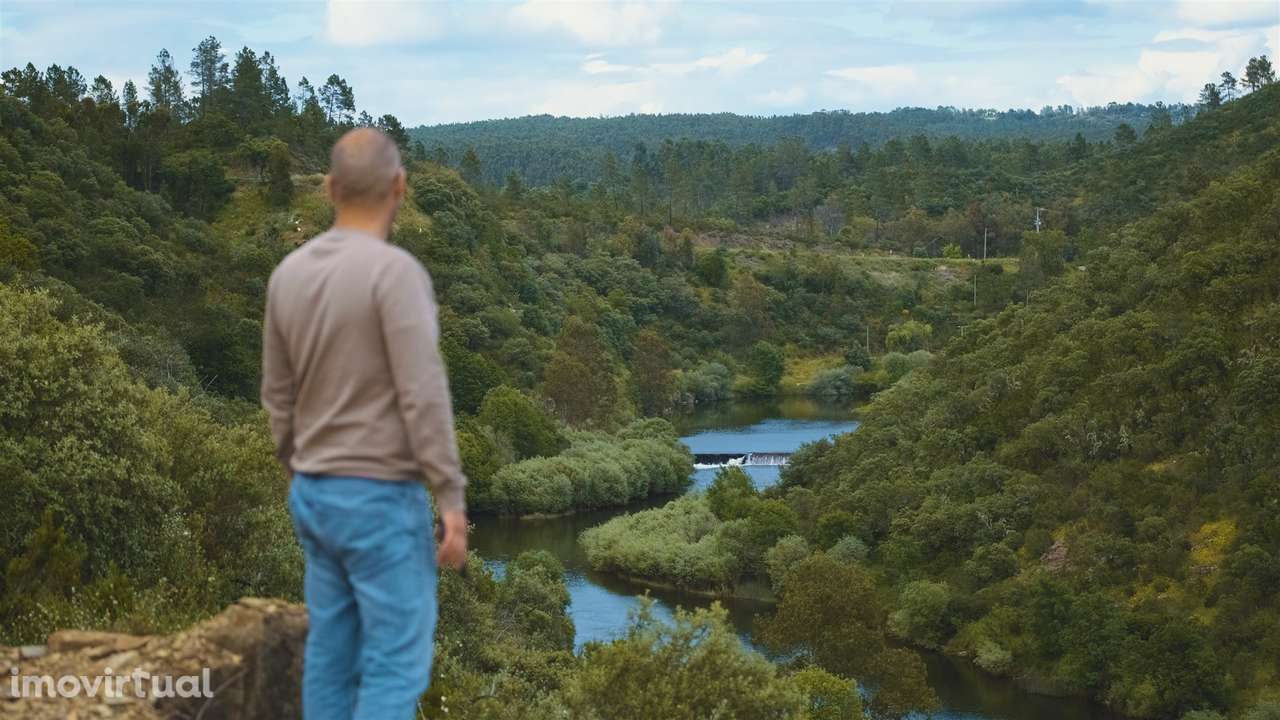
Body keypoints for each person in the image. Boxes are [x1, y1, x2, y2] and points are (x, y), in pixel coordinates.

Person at [261, 127, 468, 720]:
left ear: (329, 188)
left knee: (331, 650)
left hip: (316, 493)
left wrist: (299, 469)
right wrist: (450, 497)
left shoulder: (288, 275)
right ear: (399, 187)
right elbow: (423, 395)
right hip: (379, 498)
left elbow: (277, 396)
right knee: (395, 665)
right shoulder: (396, 274)